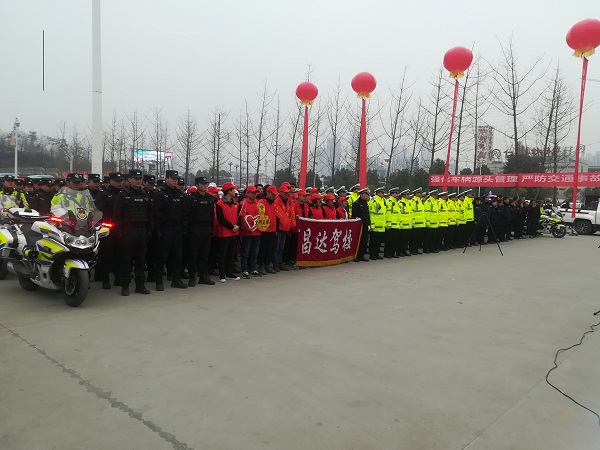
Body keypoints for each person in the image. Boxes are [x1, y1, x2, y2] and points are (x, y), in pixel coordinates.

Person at [113, 169, 153, 296]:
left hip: (142, 230)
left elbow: (150, 214)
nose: (139, 181)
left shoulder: (145, 195)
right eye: (136, 179)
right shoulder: (122, 195)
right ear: (129, 180)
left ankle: (140, 285)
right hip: (128, 231)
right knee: (127, 260)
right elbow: (117, 215)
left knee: (140, 260)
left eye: (140, 179)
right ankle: (125, 286)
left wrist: (150, 230)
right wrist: (119, 231)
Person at [153, 169, 188, 291]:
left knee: (177, 256)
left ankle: (176, 279)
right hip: (165, 228)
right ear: (166, 179)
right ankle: (159, 281)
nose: (175, 181)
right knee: (162, 256)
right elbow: (156, 213)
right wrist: (157, 230)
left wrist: (184, 228)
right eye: (172, 179)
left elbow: (184, 213)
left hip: (177, 227)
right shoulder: (160, 194)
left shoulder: (180, 194)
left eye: (176, 179)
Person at [94, 172, 123, 289]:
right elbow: (98, 211)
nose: (119, 183)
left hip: (119, 227)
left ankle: (118, 278)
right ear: (110, 181)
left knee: (119, 254)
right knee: (106, 255)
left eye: (121, 181)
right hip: (107, 228)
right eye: (117, 181)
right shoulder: (104, 194)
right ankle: (105, 279)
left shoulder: (123, 194)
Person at [186, 176, 216, 286]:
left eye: (206, 184)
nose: (205, 186)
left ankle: (204, 276)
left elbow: (212, 216)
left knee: (205, 254)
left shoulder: (210, 198)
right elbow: (187, 215)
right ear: (197, 185)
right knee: (193, 254)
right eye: (203, 184)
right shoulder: (191, 198)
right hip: (195, 228)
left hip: (206, 228)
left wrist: (211, 229)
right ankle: (192, 277)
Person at [215, 181, 240, 282]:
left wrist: (237, 226)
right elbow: (221, 219)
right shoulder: (220, 203)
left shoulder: (236, 204)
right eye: (233, 190)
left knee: (231, 254)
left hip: (234, 232)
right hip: (224, 233)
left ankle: (229, 272)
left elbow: (239, 217)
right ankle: (222, 274)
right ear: (229, 191)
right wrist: (231, 226)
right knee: (223, 254)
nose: (235, 191)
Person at [239, 185, 262, 278]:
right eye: (252, 193)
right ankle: (244, 269)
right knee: (246, 252)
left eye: (255, 193)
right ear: (247, 194)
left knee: (255, 252)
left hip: (257, 232)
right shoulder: (243, 204)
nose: (254, 195)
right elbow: (241, 218)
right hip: (247, 233)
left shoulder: (259, 204)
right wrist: (246, 227)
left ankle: (253, 268)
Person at [273, 184, 294, 271]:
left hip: (285, 227)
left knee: (281, 247)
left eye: (287, 193)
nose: (286, 194)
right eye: (285, 193)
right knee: (276, 247)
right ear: (280, 192)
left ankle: (280, 263)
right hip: (278, 227)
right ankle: (275, 264)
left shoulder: (288, 201)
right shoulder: (277, 201)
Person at [257, 185, 278, 274]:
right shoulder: (261, 203)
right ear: (268, 193)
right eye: (272, 194)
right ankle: (260, 265)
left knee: (269, 249)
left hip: (272, 230)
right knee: (262, 249)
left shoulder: (274, 203)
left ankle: (267, 265)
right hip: (264, 230)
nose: (274, 196)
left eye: (275, 195)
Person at [351, 188, 371, 262]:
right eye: (366, 194)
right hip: (359, 226)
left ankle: (362, 255)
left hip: (365, 225)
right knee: (358, 241)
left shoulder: (365, 203)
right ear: (361, 194)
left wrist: (368, 224)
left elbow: (367, 215)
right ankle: (356, 256)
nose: (367, 196)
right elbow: (354, 216)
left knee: (364, 241)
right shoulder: (356, 203)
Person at [369, 187, 387, 260]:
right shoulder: (374, 201)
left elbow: (384, 214)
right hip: (375, 225)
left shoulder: (383, 201)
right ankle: (372, 254)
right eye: (382, 193)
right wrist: (372, 224)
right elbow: (372, 214)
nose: (383, 194)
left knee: (378, 242)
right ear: (378, 193)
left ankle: (376, 253)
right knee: (373, 241)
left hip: (381, 225)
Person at [384, 188, 401, 258]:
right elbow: (388, 214)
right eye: (396, 193)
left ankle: (392, 253)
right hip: (391, 225)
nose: (397, 195)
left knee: (394, 240)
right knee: (389, 240)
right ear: (392, 194)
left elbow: (398, 214)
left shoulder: (396, 202)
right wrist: (388, 224)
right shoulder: (389, 201)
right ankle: (387, 253)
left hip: (396, 224)